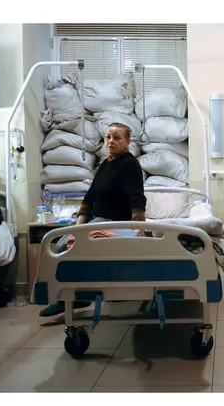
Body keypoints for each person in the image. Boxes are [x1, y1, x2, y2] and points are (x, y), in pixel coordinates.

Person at [39, 123, 146, 317]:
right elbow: (90, 196)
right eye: (108, 137)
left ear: (128, 142)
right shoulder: (106, 164)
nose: (111, 141)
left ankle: (71, 298)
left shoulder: (129, 164)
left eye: (117, 138)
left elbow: (137, 197)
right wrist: (77, 227)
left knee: (65, 245)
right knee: (64, 242)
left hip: (114, 221)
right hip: (98, 218)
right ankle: (73, 295)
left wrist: (138, 227)